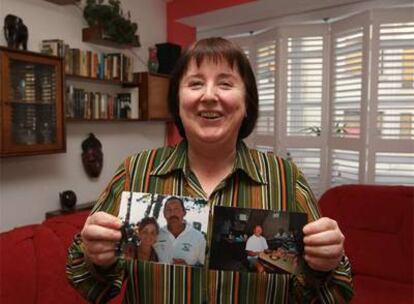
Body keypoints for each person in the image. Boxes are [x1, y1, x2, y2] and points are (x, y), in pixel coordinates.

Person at [67, 37, 353, 303]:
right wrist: (96, 259)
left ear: (247, 103)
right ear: (177, 103)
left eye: (226, 84)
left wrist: (325, 266)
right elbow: (90, 284)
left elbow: (334, 293)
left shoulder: (286, 179)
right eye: (195, 84)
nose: (209, 96)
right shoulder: (135, 171)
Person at [153, 196, 206, 266]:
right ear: (164, 214)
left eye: (176, 209)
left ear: (184, 212)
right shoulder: (156, 235)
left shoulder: (198, 237)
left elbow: (204, 265)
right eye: (168, 210)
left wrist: (188, 267)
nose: (172, 214)